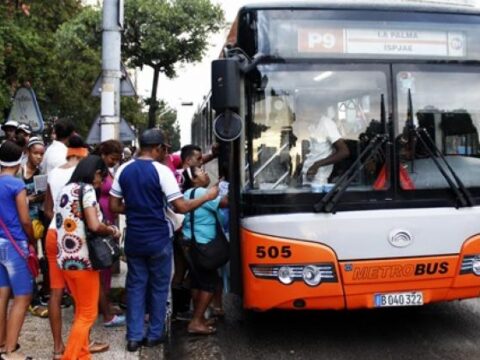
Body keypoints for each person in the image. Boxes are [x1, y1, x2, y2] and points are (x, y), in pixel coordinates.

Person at [109, 128, 219, 352]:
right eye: (164, 150)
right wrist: (208, 195)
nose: (165, 154)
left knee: (136, 285)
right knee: (159, 287)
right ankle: (154, 334)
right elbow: (181, 206)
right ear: (157, 148)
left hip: (134, 239)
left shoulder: (123, 170)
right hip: (158, 237)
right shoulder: (162, 172)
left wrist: (136, 208)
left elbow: (114, 206)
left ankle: (133, 337)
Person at [55, 155, 121, 360]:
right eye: (102, 176)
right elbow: (93, 225)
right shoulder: (87, 190)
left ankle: (82, 354)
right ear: (96, 173)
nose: (102, 182)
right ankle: (71, 356)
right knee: (88, 314)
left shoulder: (64, 190)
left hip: (65, 259)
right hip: (84, 260)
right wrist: (111, 229)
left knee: (80, 310)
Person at [43, 135, 89, 359]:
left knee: (55, 292)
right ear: (82, 151)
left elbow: (48, 209)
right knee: (82, 293)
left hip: (52, 233)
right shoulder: (83, 175)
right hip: (73, 236)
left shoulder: (53, 173)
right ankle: (82, 345)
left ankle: (57, 347)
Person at [182, 165, 228, 335]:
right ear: (194, 179)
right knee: (210, 283)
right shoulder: (201, 193)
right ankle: (195, 322)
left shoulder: (189, 193)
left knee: (197, 281)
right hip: (204, 244)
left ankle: (199, 317)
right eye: (201, 172)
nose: (205, 172)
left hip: (191, 243)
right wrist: (229, 187)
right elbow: (225, 203)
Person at [0, 140, 35, 360]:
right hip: (15, 245)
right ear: (20, 159)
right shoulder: (16, 185)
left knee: (1, 295)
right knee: (22, 297)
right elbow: (25, 219)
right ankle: (10, 351)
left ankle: (2, 341)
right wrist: (32, 238)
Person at [93, 140, 125, 328]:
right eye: (112, 158)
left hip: (109, 218)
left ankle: (104, 301)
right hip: (102, 219)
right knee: (102, 261)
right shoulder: (97, 170)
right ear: (104, 154)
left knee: (106, 264)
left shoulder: (106, 169)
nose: (114, 162)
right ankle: (102, 304)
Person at [19, 137, 48, 319]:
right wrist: (25, 199)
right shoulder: (17, 172)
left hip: (34, 223)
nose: (39, 157)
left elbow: (44, 197)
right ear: (27, 152)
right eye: (36, 153)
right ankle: (31, 299)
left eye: (42, 154)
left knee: (31, 260)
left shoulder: (41, 174)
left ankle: (32, 297)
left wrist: (37, 197)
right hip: (17, 222)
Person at [296, 110, 350, 185]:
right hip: (307, 178)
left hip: (319, 181)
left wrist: (317, 165)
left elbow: (344, 152)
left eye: (304, 109)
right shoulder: (312, 125)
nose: (302, 113)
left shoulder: (327, 124)